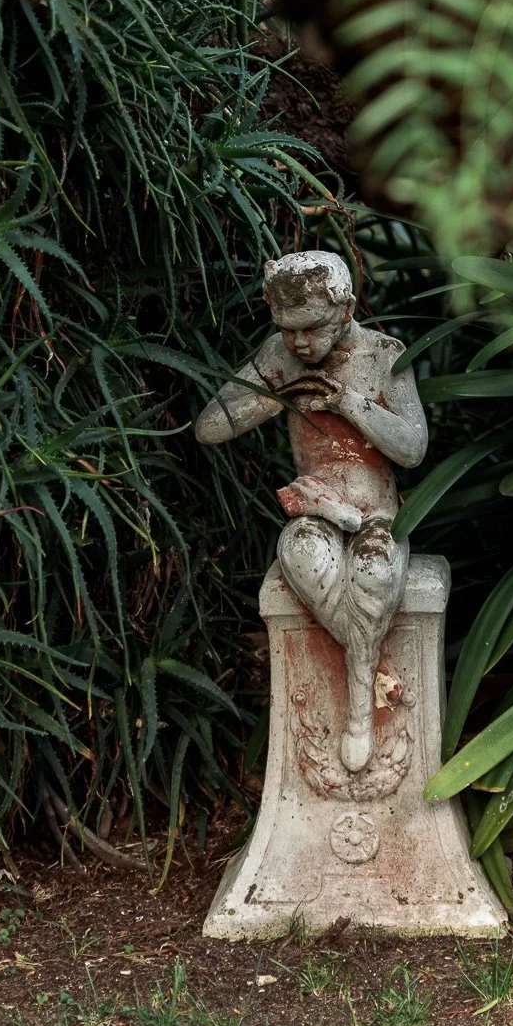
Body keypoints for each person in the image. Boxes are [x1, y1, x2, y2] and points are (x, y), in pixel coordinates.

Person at [195, 250, 428, 772]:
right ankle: (364, 665)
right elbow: (209, 427)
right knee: (298, 550)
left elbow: (413, 449)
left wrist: (347, 403)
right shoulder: (279, 356)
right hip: (316, 513)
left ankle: (359, 710)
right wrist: (273, 397)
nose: (301, 343)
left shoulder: (384, 354)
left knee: (372, 566)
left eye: (313, 329)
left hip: (376, 515)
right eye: (288, 329)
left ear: (345, 309)